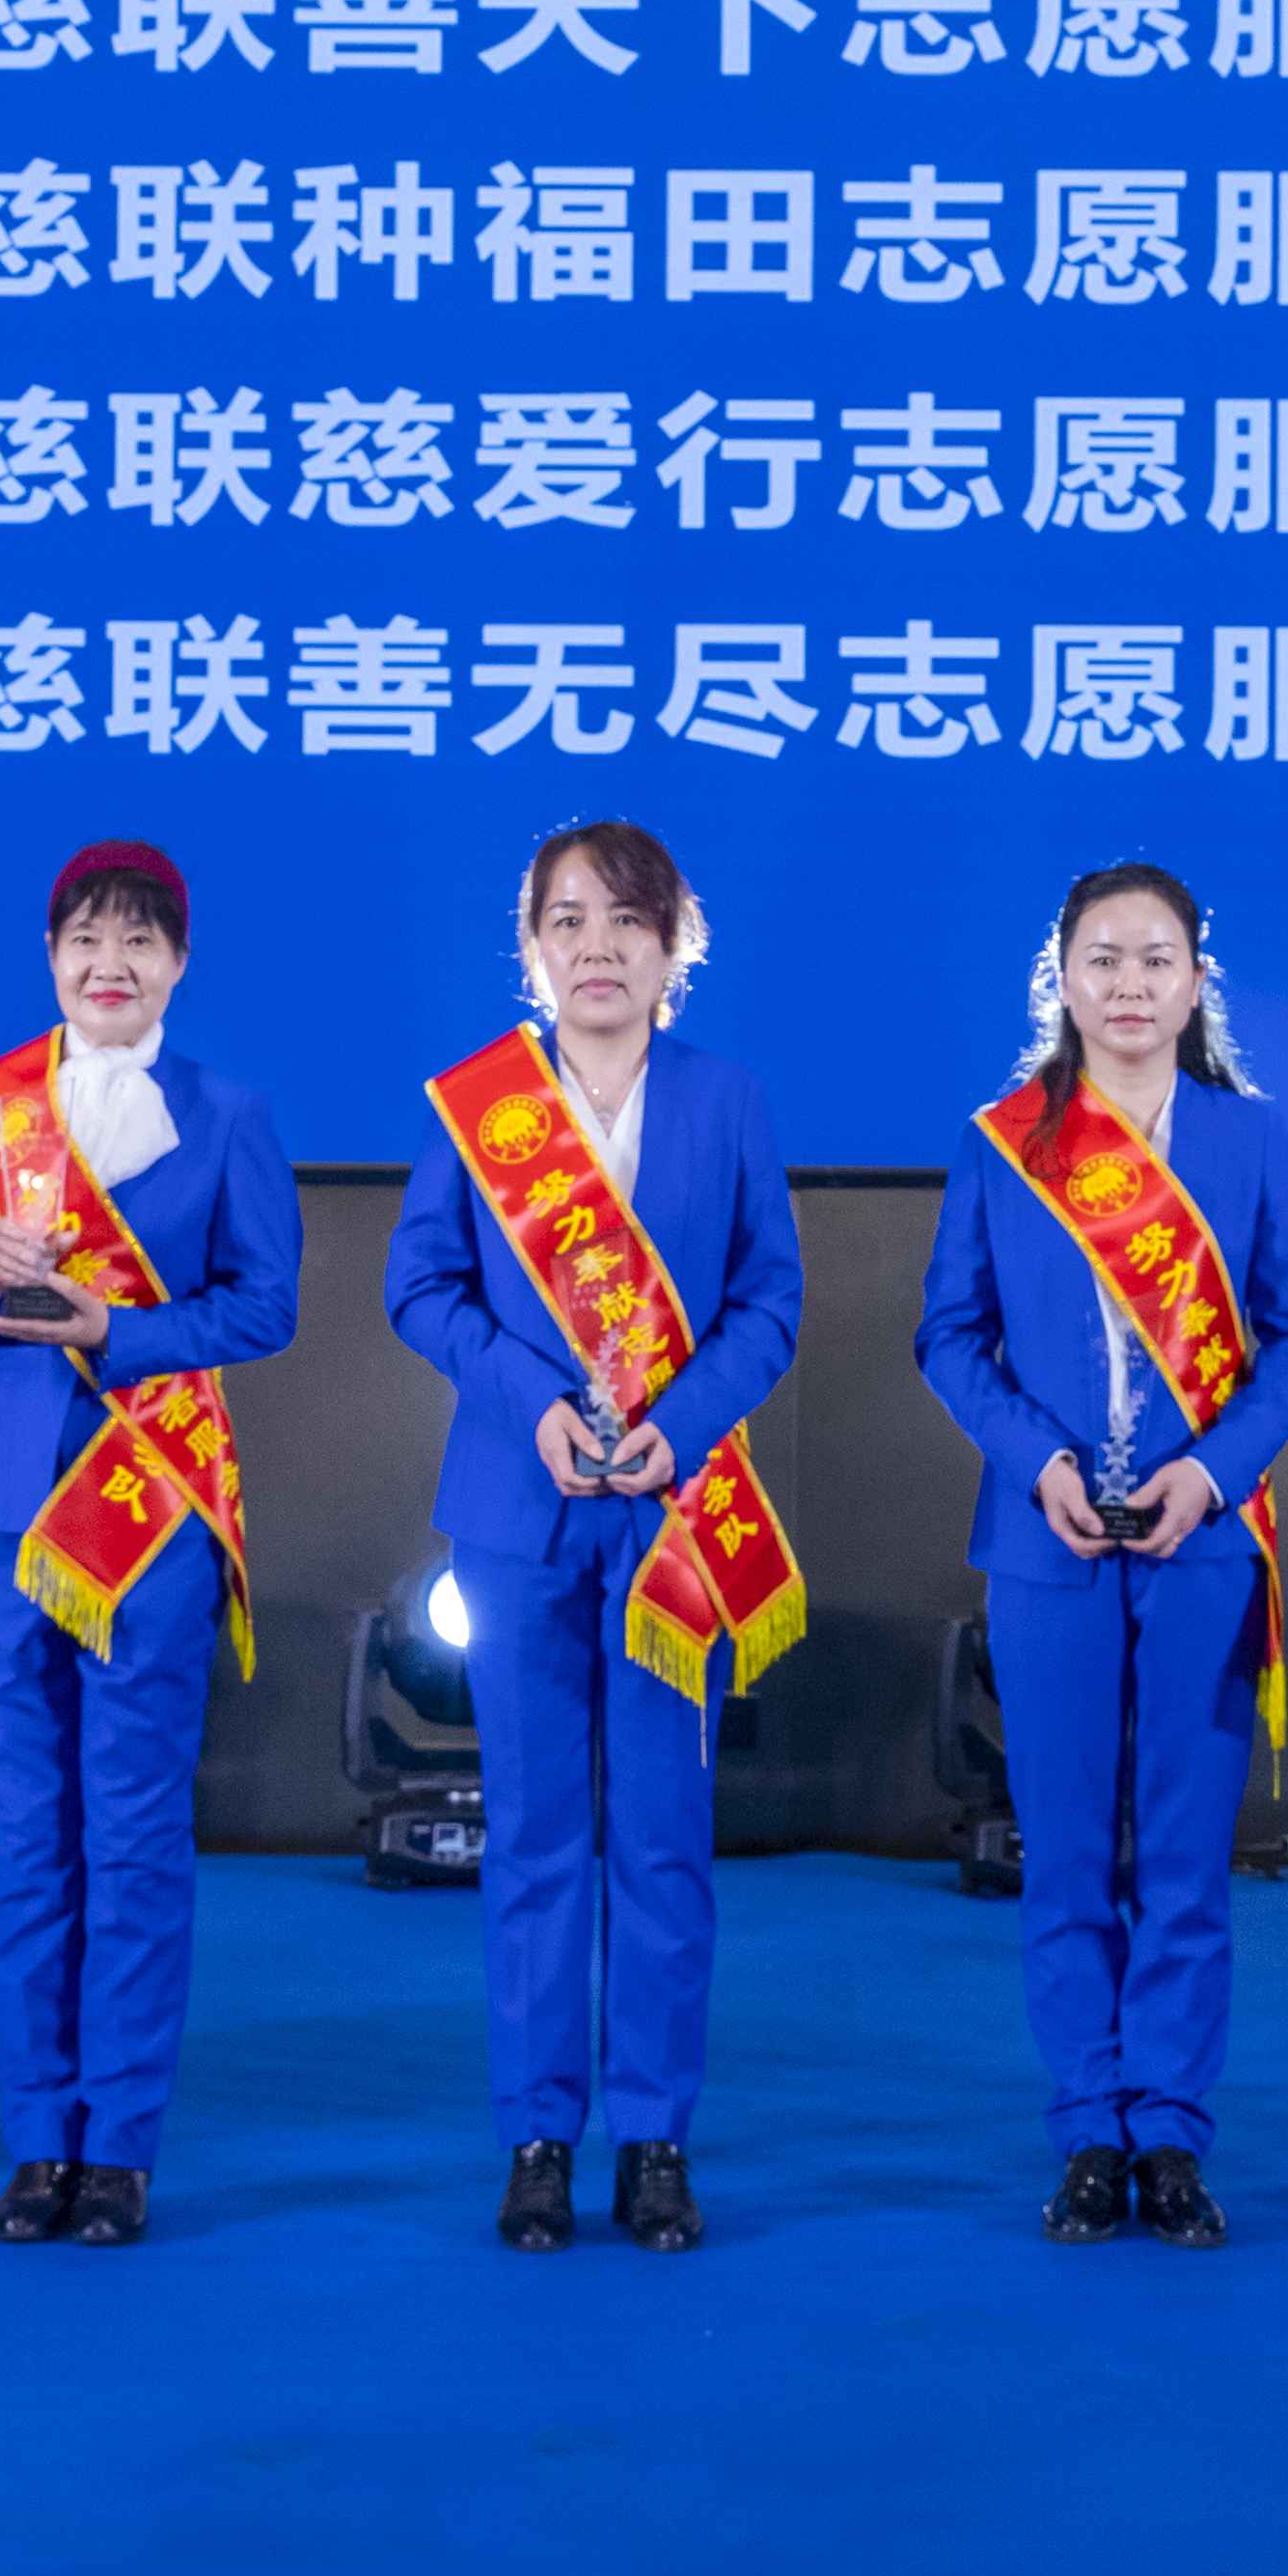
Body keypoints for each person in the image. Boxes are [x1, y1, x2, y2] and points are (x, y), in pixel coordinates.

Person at [384, 819, 809, 2254]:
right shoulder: (478, 1107)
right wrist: (532, 1406)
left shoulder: (725, 1101)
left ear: (674, 944)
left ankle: (655, 2136)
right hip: (518, 1510)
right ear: (532, 948)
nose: (598, 947)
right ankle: (537, 2133)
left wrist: (680, 1426)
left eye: (628, 919)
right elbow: (421, 1288)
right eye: (567, 919)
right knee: (534, 1833)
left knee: (665, 1837)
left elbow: (769, 1304)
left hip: (677, 1514)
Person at [912, 859, 1288, 2248]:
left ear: (1197, 982)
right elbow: (950, 1338)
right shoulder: (1003, 1142)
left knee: (1189, 1860)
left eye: (1158, 959)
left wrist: (1212, 1474)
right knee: (1069, 1857)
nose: (1132, 983)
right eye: (1104, 958)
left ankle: (1174, 2134)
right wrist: (1035, 1462)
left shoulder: (1251, 1141)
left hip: (1203, 1543)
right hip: (1048, 1547)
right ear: (1063, 979)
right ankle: (1089, 2126)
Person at [0, 837, 302, 2249]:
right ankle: (36, 2139)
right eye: (84, 939)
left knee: (133, 1832)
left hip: (153, 1504)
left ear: (178, 964)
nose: (108, 964)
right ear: (51, 957)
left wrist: (116, 1330)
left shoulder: (230, 1115)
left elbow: (265, 1309)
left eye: (138, 941)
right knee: (26, 1836)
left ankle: (120, 2142)